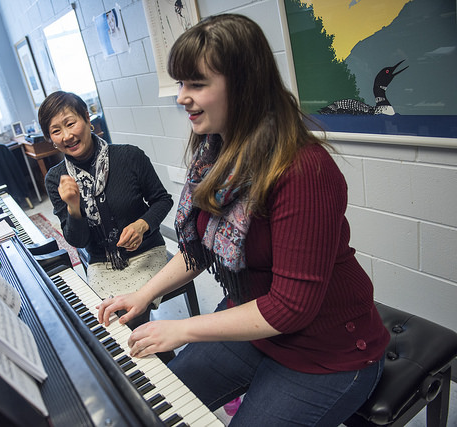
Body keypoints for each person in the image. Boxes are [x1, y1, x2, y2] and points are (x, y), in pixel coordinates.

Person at [97, 14, 390, 426]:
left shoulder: (304, 169)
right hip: (256, 325)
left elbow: (290, 309)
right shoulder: (217, 152)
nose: (182, 97)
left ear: (244, 85)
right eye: (181, 83)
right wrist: (145, 294)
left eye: (196, 84)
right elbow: (201, 247)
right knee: (152, 405)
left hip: (327, 350)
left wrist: (184, 330)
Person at [40, 91, 173, 328]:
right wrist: (73, 207)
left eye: (71, 123)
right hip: (103, 263)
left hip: (146, 254)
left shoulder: (130, 156)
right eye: (56, 130)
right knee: (105, 322)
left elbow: (163, 200)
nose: (67, 135)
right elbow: (78, 242)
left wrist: (142, 225)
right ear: (50, 139)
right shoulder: (56, 179)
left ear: (88, 120)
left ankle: (159, 356)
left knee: (126, 316)